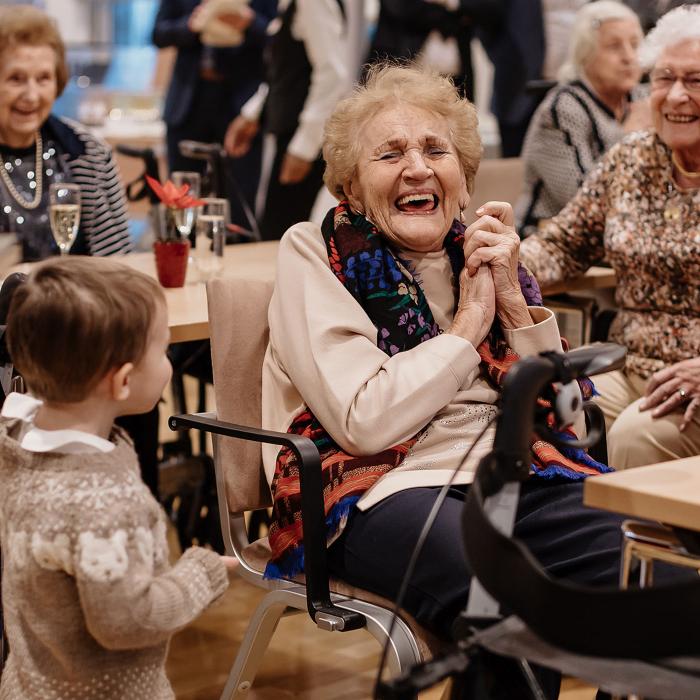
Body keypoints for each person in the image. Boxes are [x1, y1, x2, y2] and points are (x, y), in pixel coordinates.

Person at [258, 64, 663, 696]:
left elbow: (576, 427)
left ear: (464, 180)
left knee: (657, 576)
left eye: (434, 151)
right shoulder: (315, 253)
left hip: (518, 470)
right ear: (352, 188)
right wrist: (469, 326)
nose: (416, 168)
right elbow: (365, 420)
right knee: (500, 603)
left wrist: (512, 305)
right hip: (382, 487)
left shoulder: (485, 256)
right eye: (389, 154)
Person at [0, 256, 237, 699]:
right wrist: (201, 574)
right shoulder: (100, 501)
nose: (169, 364)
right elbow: (127, 620)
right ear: (124, 382)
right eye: (163, 349)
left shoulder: (16, 439)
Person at [519, 5, 700, 469]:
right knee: (535, 403)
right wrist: (500, 262)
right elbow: (564, 243)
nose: (677, 96)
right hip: (627, 362)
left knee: (638, 436)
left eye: (695, 81)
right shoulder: (633, 158)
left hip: (693, 379)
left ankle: (634, 545)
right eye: (664, 79)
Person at [0, 5, 132, 262]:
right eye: (16, 79)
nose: (31, 95)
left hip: (78, 301)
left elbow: (116, 264)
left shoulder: (89, 153)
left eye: (44, 78)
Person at [224, 0, 349, 241]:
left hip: (302, 139)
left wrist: (303, 147)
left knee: (285, 235)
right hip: (287, 133)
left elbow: (332, 74)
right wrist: (251, 114)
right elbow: (285, 70)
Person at [516, 1, 644, 236]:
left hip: (625, 235)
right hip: (552, 242)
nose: (629, 57)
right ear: (585, 53)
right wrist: (628, 138)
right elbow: (584, 201)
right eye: (615, 46)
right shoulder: (562, 108)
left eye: (635, 45)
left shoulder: (642, 98)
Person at [152, 0, 277, 230]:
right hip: (189, 102)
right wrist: (190, 25)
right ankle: (182, 259)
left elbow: (279, 36)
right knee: (180, 200)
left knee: (239, 203)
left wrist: (250, 22)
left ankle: (240, 262)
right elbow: (158, 33)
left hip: (241, 106)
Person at [366, 0, 505, 101]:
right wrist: (453, 18)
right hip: (402, 69)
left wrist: (451, 3)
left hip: (454, 79)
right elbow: (400, 8)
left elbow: (490, 9)